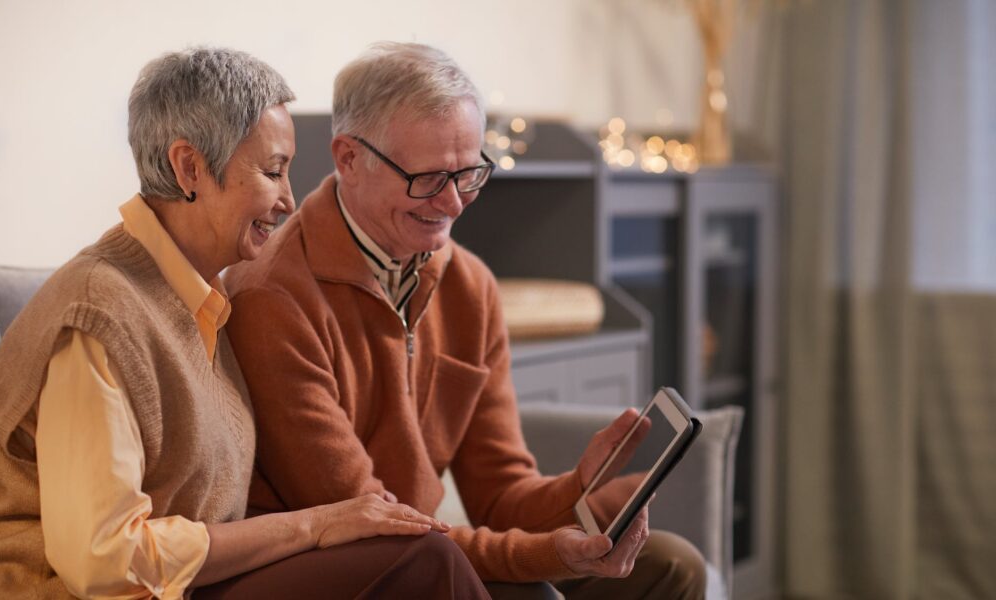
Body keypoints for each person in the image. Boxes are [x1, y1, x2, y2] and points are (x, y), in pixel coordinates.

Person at [0, 47, 489, 600]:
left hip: (191, 585)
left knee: (428, 562)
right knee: (421, 561)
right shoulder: (98, 315)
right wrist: (313, 526)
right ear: (190, 169)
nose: (288, 199)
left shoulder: (199, 298)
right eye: (273, 171)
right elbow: (102, 561)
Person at [224, 41, 707, 599]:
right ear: (348, 158)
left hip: (426, 552)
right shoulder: (274, 299)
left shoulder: (470, 285)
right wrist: (550, 553)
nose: (454, 204)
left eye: (470, 174)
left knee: (673, 567)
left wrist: (583, 488)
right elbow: (377, 528)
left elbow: (499, 496)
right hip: (347, 569)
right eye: (429, 179)